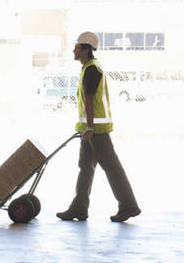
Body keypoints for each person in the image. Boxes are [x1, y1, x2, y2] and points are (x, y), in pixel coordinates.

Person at [56, 31, 141, 223]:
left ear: (86, 50)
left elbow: (89, 99)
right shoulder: (88, 68)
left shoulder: (92, 69)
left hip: (96, 130)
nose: (74, 51)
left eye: (77, 47)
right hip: (89, 129)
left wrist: (90, 127)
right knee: (85, 167)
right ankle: (79, 208)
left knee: (111, 167)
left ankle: (129, 206)